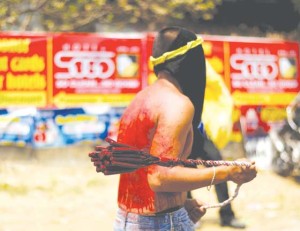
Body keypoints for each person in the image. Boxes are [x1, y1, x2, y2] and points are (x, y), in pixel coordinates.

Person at [92, 26, 257, 231]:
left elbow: (146, 171)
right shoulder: (178, 104)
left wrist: (181, 203)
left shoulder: (140, 98)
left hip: (129, 220)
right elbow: (160, 177)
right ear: (189, 63)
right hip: (160, 223)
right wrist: (228, 172)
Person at [188, 125, 247, 229]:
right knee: (183, 171)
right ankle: (189, 215)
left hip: (199, 132)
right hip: (182, 132)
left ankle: (227, 215)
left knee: (220, 168)